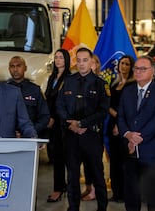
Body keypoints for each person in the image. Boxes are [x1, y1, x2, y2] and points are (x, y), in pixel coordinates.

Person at [56, 47, 109, 211]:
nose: (81, 64)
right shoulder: (68, 81)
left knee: (97, 175)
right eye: (78, 60)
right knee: (72, 176)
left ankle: (102, 207)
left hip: (91, 135)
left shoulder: (100, 84)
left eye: (85, 60)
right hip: (71, 135)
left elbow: (103, 110)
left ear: (91, 61)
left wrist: (83, 124)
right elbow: (60, 105)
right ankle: (73, 207)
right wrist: (71, 123)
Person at [117, 55, 155, 211]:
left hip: (150, 150)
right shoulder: (127, 91)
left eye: (143, 69)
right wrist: (127, 134)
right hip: (129, 150)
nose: (138, 71)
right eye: (136, 68)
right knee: (131, 193)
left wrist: (136, 139)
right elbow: (121, 117)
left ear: (152, 72)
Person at [106, 55, 135, 203]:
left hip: (124, 127)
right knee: (114, 161)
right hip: (112, 125)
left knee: (125, 162)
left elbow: (128, 109)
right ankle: (116, 193)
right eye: (122, 63)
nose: (123, 66)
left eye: (127, 64)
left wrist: (119, 122)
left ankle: (125, 193)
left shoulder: (132, 85)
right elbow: (110, 103)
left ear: (131, 67)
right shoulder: (114, 82)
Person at [45, 49, 70, 203]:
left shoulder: (69, 78)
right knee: (55, 156)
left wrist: (54, 116)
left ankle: (59, 189)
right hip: (52, 123)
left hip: (63, 123)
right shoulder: (52, 77)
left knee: (62, 157)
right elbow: (48, 98)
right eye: (56, 58)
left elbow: (64, 102)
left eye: (61, 57)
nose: (58, 60)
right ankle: (60, 186)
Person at [7, 56, 50, 137]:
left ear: (25, 68)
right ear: (9, 69)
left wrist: (29, 130)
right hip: (9, 137)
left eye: (19, 66)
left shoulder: (35, 90)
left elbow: (45, 116)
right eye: (12, 66)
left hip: (30, 136)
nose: (15, 69)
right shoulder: (3, 90)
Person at [81, 54, 102, 201]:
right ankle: (89, 188)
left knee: (95, 163)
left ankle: (95, 191)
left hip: (96, 128)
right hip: (81, 129)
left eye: (92, 63)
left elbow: (101, 109)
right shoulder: (81, 82)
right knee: (86, 162)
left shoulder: (100, 83)